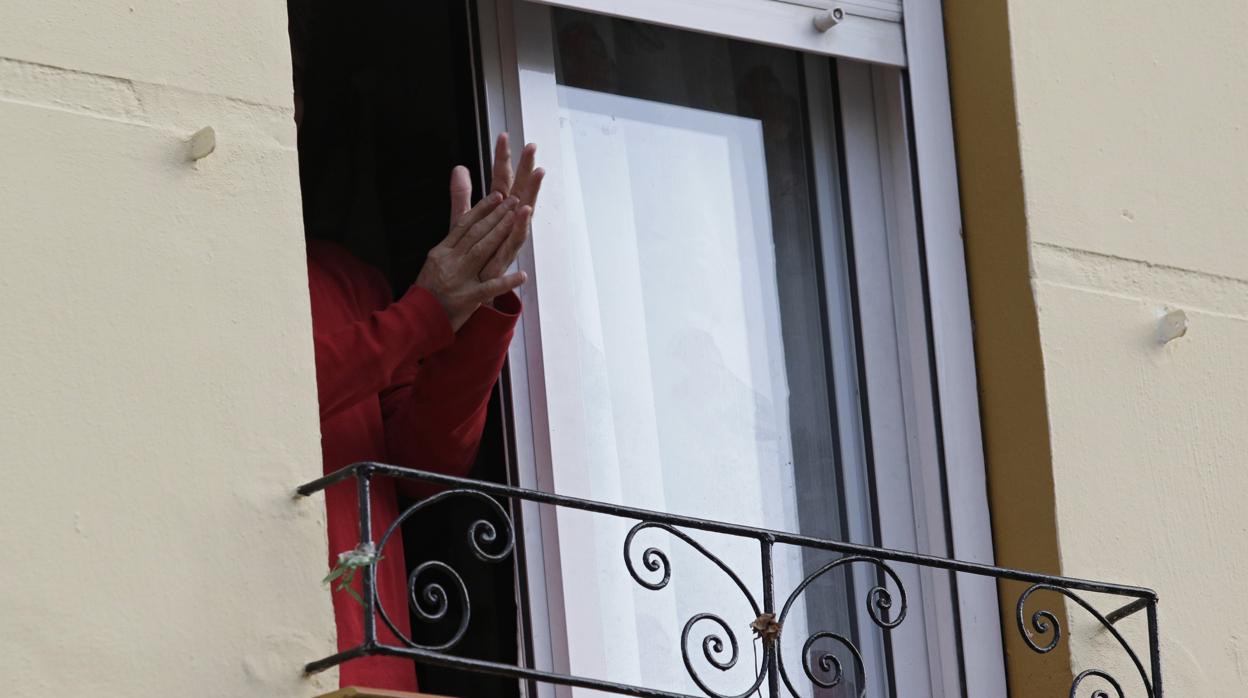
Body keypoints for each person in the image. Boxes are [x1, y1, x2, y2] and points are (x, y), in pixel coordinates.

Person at [309, 135, 543, 690]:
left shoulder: (347, 279)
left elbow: (426, 463)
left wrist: (474, 302)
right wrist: (423, 314)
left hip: (367, 667)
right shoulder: (197, 268)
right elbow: (264, 401)